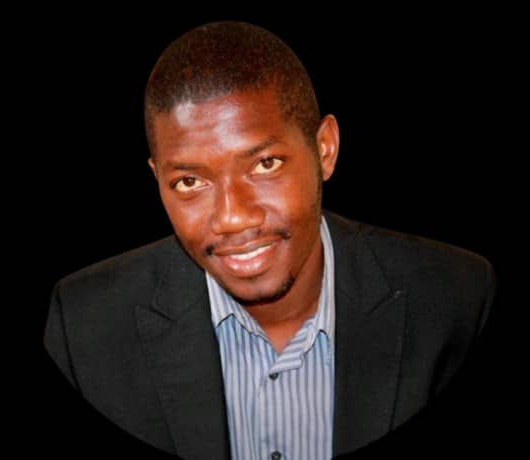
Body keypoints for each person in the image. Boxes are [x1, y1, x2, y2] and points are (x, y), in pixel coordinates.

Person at [44, 21, 497, 460]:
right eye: (189, 182)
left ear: (324, 149)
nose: (232, 217)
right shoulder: (84, 330)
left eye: (265, 164)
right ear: (157, 178)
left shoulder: (457, 301)